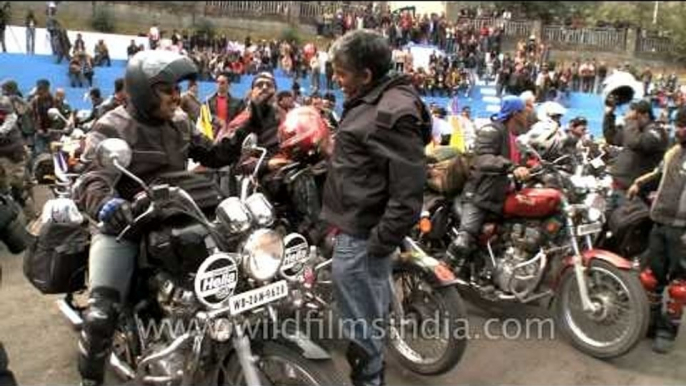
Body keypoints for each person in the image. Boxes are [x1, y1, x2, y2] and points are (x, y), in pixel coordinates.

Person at [72, 50, 251, 386]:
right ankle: (91, 380)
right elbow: (89, 176)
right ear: (142, 89)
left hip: (176, 217)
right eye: (167, 89)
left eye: (177, 88)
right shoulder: (112, 125)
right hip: (125, 224)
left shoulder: (180, 121)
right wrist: (107, 205)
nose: (176, 95)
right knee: (101, 313)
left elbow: (215, 153)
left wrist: (247, 124)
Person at [320, 30, 432, 386]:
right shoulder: (377, 98)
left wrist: (378, 245)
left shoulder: (392, 111)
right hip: (357, 232)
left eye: (342, 73)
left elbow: (409, 191)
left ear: (366, 75)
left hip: (362, 240)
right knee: (367, 324)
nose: (336, 81)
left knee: (362, 334)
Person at [447, 95, 533, 264]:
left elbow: (522, 163)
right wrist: (512, 167)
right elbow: (483, 158)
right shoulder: (491, 131)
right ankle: (440, 274)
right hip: (480, 196)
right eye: (524, 111)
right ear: (515, 113)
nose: (527, 115)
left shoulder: (517, 137)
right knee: (464, 240)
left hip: (502, 197)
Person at [628, 106, 686, 354]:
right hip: (659, 221)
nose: (679, 130)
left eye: (684, 125)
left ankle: (667, 330)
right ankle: (650, 323)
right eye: (679, 124)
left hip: (682, 230)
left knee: (679, 286)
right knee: (651, 278)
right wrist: (638, 183)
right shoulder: (673, 151)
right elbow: (658, 173)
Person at [603, 99, 668, 213]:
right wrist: (609, 115)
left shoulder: (657, 131)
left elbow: (637, 143)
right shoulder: (635, 131)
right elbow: (612, 138)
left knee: (624, 227)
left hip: (635, 191)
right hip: (618, 187)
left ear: (645, 115)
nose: (629, 117)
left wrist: (630, 122)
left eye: (634, 115)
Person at [0, 96, 34, 220]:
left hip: (11, 157)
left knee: (18, 190)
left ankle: (30, 219)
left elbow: (6, 128)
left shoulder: (6, 113)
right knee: (8, 191)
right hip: (9, 156)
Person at [206, 72, 245, 137]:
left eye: (222, 83)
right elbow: (204, 118)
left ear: (229, 85)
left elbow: (242, 120)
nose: (219, 85)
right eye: (218, 82)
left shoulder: (238, 103)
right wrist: (217, 120)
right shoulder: (208, 102)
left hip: (230, 136)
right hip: (212, 135)